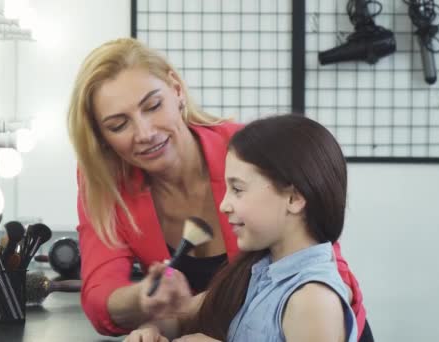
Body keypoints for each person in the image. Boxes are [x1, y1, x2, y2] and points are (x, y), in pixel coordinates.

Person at [67, 37, 371, 340]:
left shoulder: (247, 152)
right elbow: (206, 307)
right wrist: (155, 325)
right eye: (119, 125)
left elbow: (320, 264)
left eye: (153, 105)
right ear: (102, 138)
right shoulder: (259, 274)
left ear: (176, 90)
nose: (144, 133)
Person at [125, 114, 357, 342]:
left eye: (237, 189)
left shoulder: (313, 301)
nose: (224, 205)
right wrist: (150, 332)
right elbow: (179, 317)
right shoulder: (254, 273)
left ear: (293, 198)